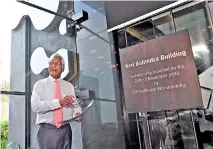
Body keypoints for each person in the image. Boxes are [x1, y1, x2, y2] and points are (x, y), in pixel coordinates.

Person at [31, 53, 83, 149]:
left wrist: (77, 113)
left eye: (57, 63)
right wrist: (58, 102)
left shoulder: (69, 86)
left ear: (63, 68)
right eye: (51, 63)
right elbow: (35, 106)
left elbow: (75, 105)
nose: (53, 66)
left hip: (66, 130)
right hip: (47, 132)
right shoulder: (39, 85)